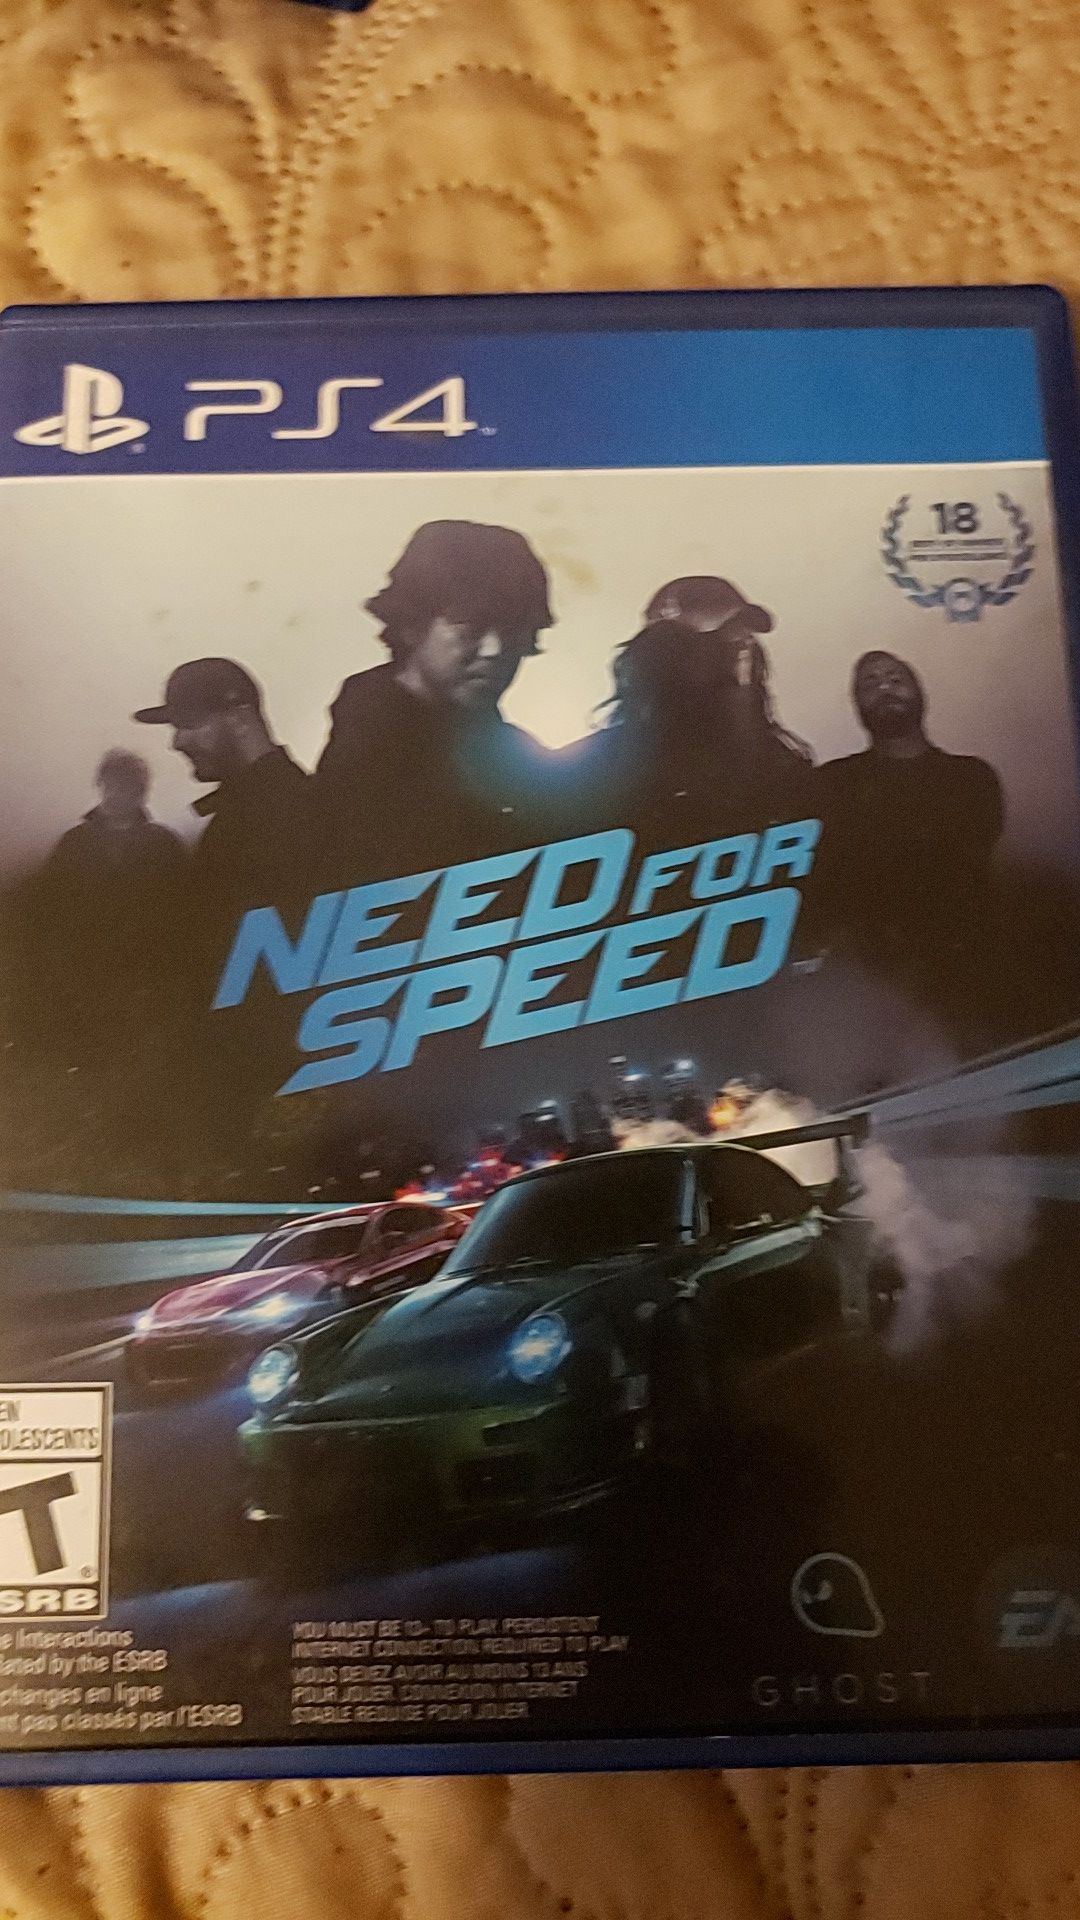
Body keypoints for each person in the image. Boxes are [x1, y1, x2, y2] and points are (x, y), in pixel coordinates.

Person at [134, 657, 312, 1181]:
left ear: (239, 715)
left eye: (189, 723)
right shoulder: (257, 809)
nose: (177, 742)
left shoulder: (277, 813)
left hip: (263, 1086)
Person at [316, 520, 555, 880]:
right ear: (412, 626)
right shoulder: (371, 750)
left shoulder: (505, 748)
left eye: (514, 628)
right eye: (470, 626)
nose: (495, 649)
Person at [809, 649, 1004, 1023]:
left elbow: (964, 864)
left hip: (965, 969)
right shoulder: (831, 783)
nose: (885, 689)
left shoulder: (971, 777)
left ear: (921, 694)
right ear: (858, 706)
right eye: (870, 684)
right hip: (871, 981)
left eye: (896, 679)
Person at [560, 577, 813, 848]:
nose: (742, 660)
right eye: (724, 647)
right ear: (661, 660)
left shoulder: (777, 767)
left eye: (743, 644)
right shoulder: (589, 776)